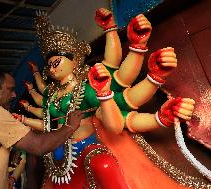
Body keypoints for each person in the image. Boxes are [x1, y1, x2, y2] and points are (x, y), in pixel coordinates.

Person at [14, 8, 197, 189]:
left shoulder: (88, 85)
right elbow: (47, 124)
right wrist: (24, 118)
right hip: (59, 157)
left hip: (91, 147)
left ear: (75, 59)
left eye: (56, 62)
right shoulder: (51, 94)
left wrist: (143, 61)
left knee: (104, 165)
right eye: (49, 66)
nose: (52, 69)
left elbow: (123, 106)